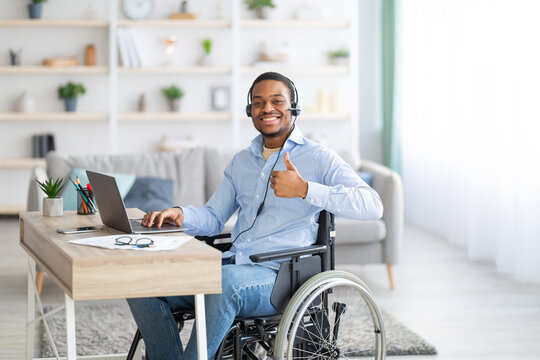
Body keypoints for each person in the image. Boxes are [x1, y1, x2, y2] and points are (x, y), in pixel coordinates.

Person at [127, 72, 383, 360]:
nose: (267, 109)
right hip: (233, 265)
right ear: (250, 111)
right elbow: (213, 217)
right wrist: (178, 214)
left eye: (277, 101)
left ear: (294, 107)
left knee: (223, 285)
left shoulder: (318, 158)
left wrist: (305, 189)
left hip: (280, 277)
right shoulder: (242, 161)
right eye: (259, 102)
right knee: (142, 284)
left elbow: (372, 205)